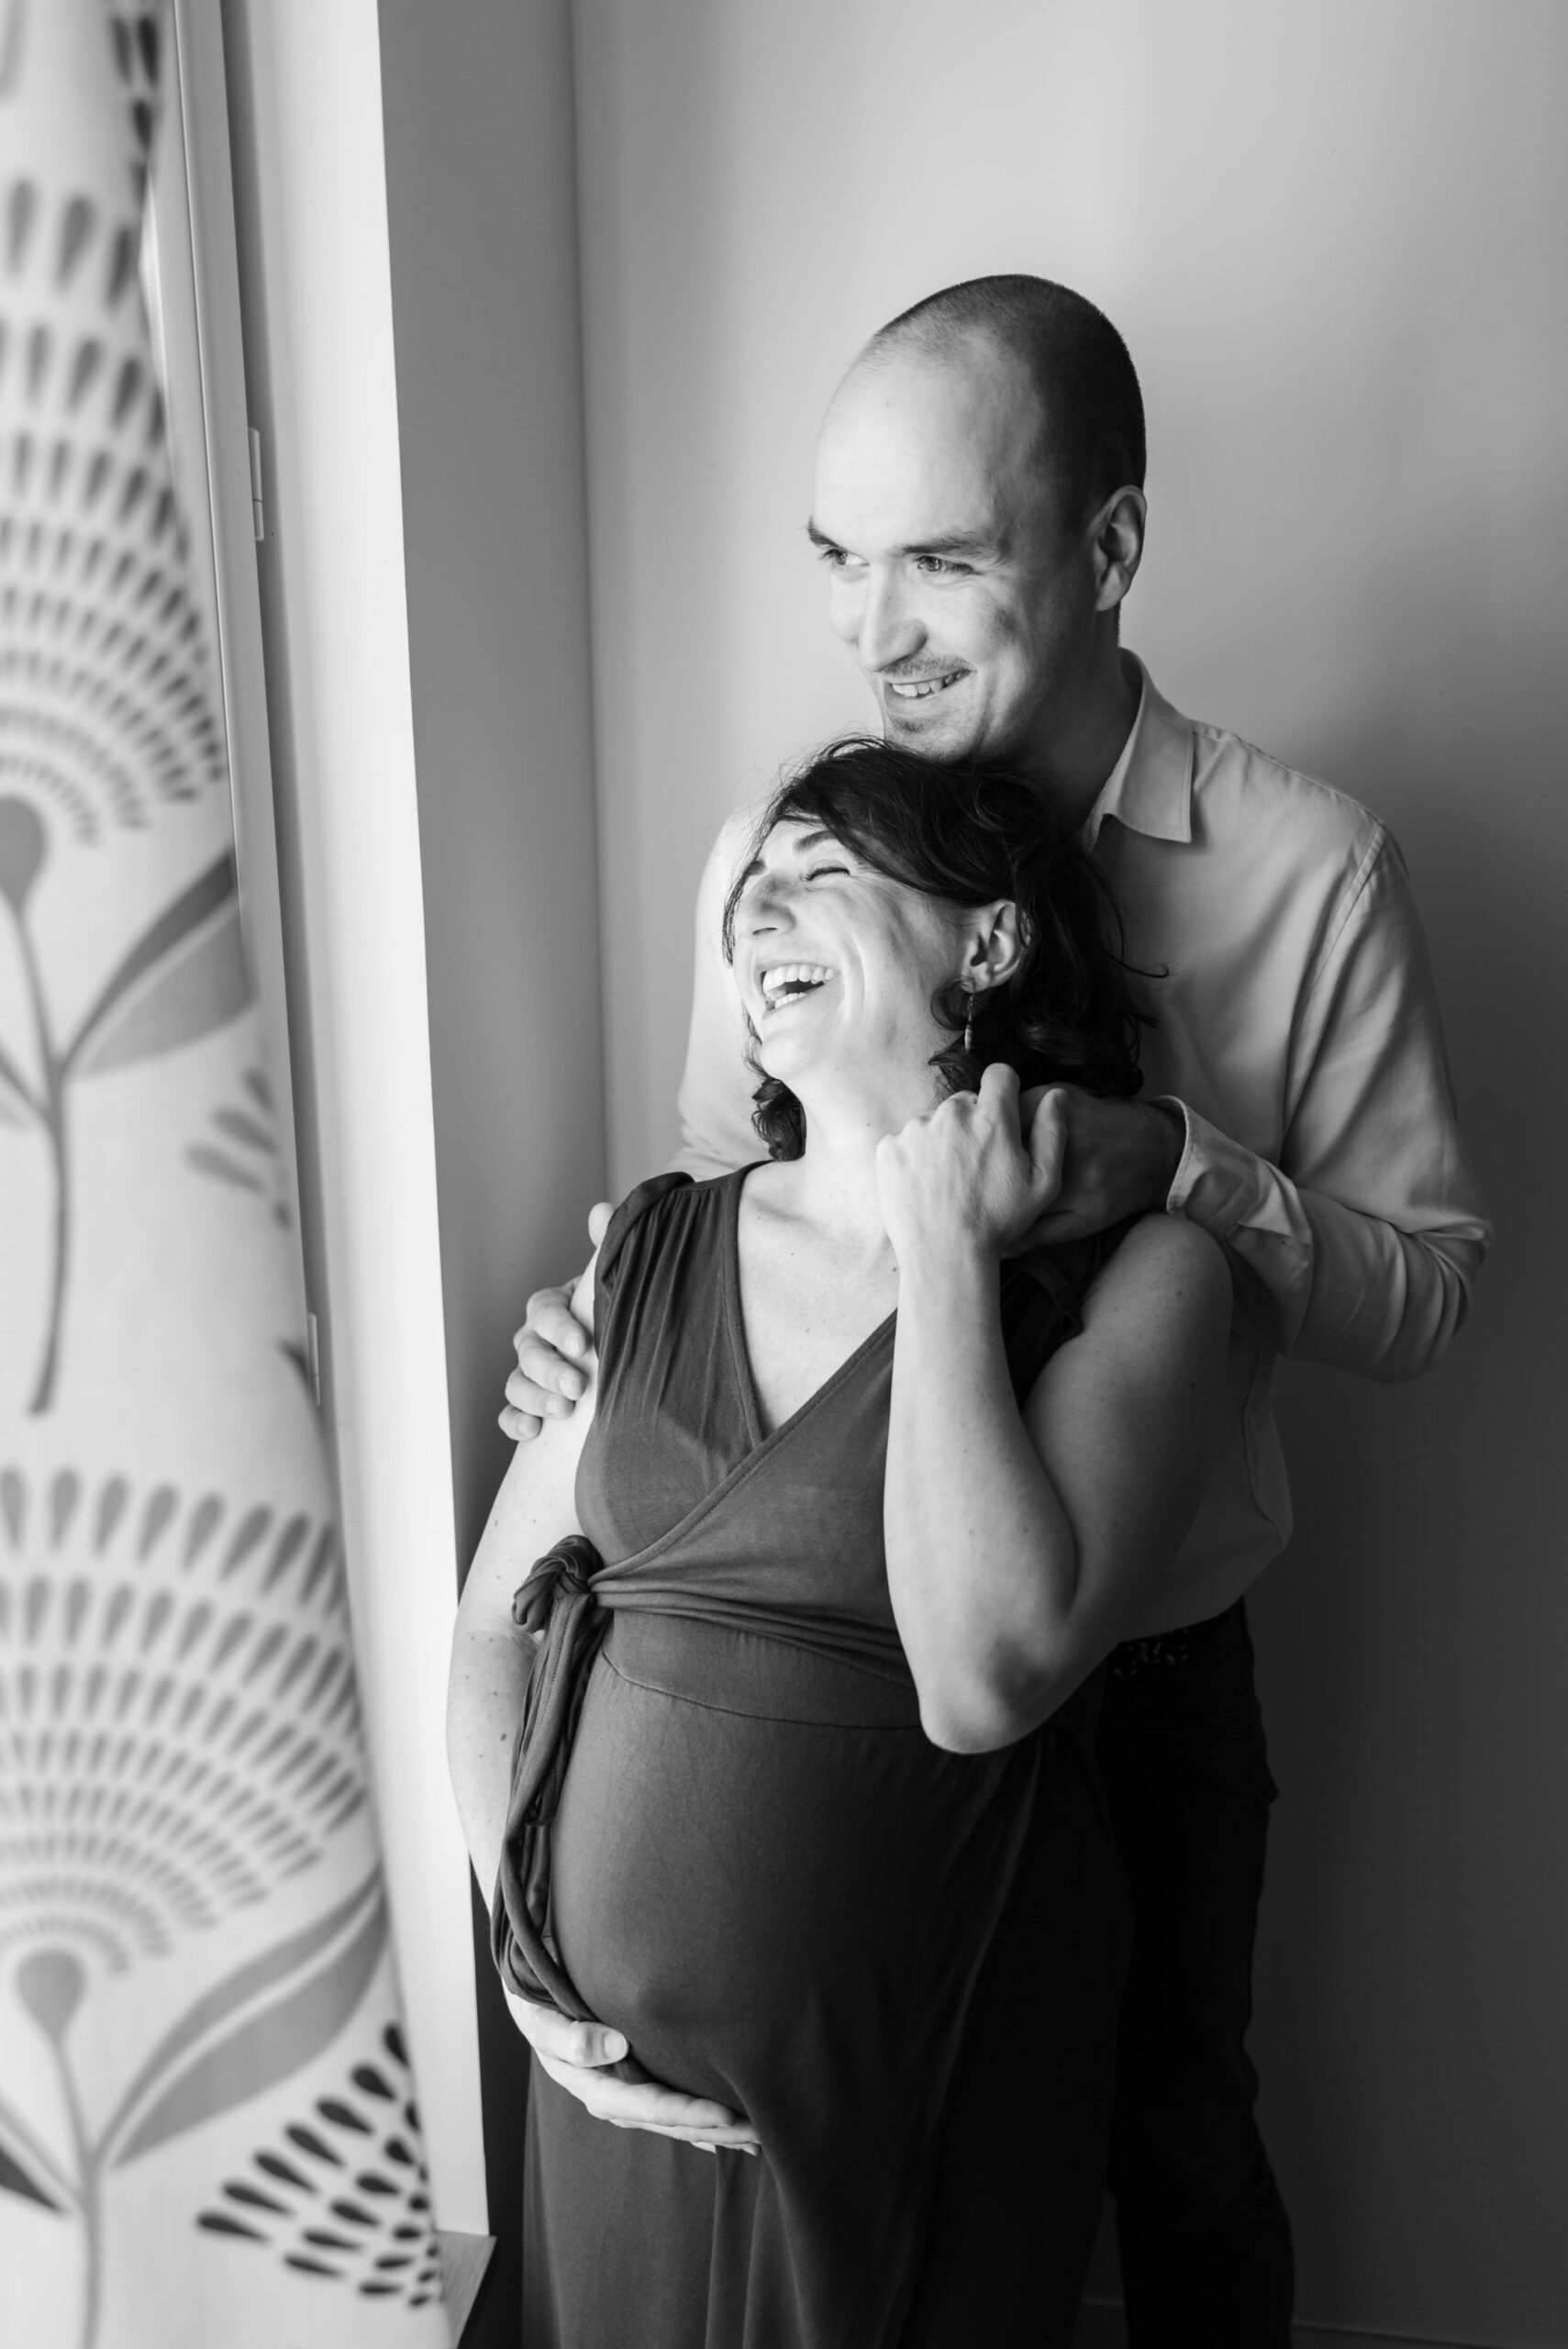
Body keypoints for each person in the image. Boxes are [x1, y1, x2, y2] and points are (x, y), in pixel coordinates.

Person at [500, 277, 1492, 2344]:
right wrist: (585, 1365)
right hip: (824, 1652)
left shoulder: (1312, 868)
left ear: (1108, 552)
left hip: (1127, 1679)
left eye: (943, 559)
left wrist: (1188, 1172)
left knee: (1169, 2162)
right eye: (840, 560)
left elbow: (1423, 1299)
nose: (875, 629)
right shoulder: (774, 871)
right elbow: (731, 1193)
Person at [449, 740, 1232, 2348]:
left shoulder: (1150, 1282)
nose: (757, 917)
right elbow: (490, 1638)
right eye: (747, 894)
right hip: (607, 2110)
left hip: (931, 2077)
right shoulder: (644, 1242)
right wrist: (526, 1954)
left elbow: (988, 1677)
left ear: (988, 943)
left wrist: (940, 1244)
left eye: (818, 873)